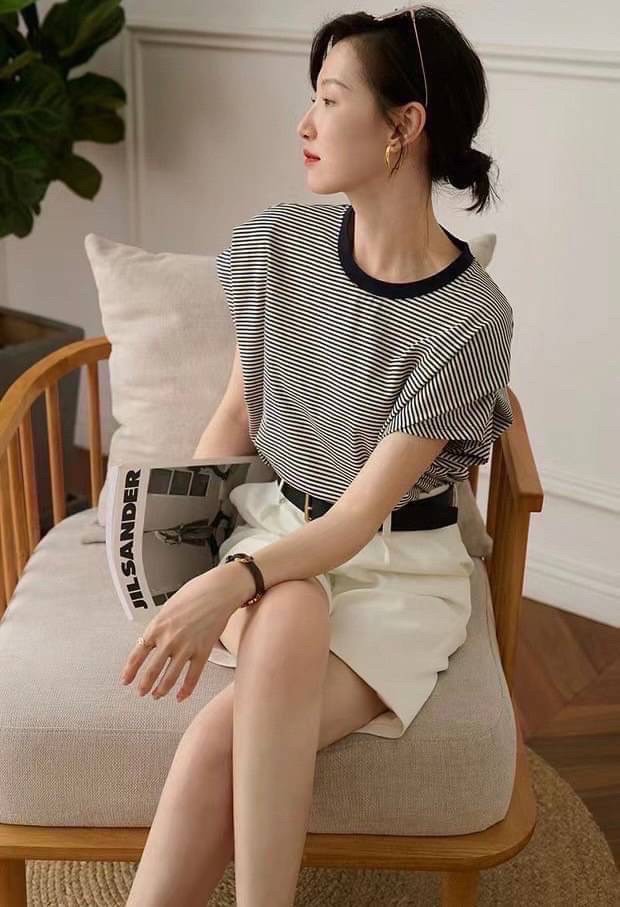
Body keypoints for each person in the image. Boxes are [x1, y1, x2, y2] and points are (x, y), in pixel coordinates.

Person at [124, 6, 514, 906]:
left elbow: (357, 519)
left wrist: (229, 586)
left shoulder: (470, 319)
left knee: (221, 730)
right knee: (292, 604)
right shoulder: (277, 244)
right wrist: (179, 549)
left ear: (403, 126)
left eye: (331, 100)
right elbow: (236, 412)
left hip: (397, 572)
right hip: (270, 531)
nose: (305, 122)